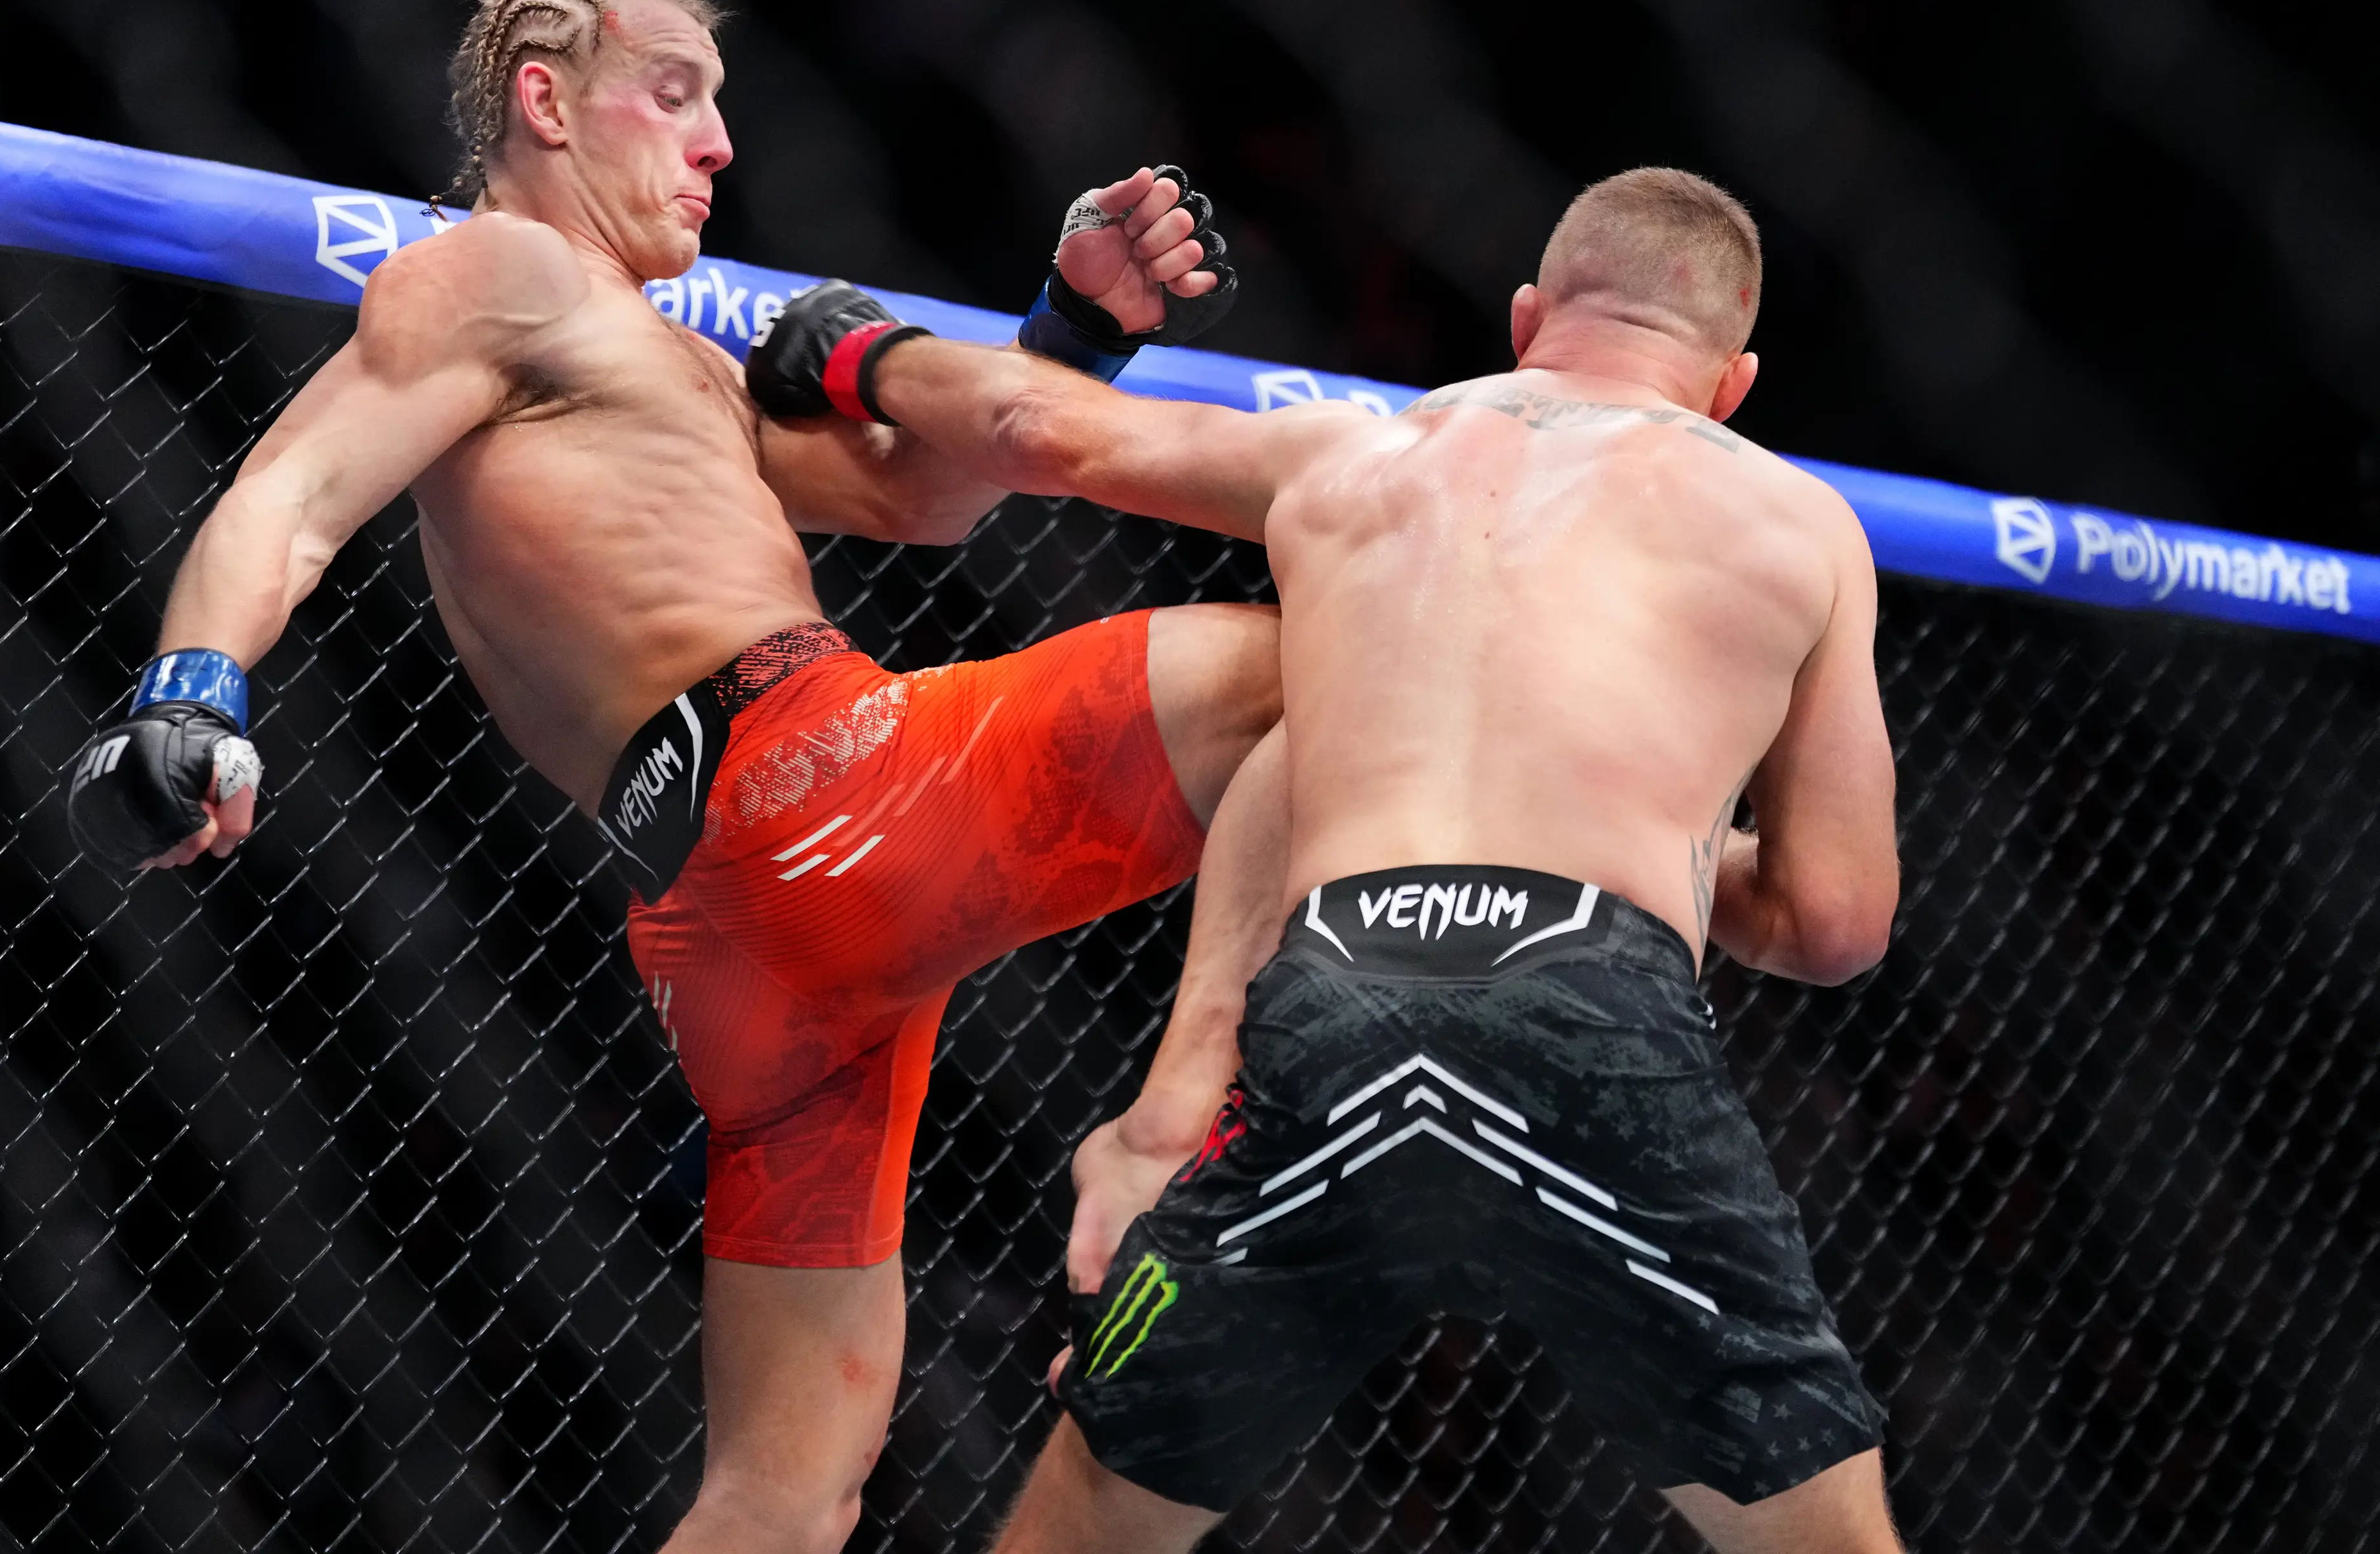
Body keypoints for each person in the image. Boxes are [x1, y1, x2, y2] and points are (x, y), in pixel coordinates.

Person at [62, 0, 1283, 1554]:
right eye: (677, 95)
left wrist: (1073, 323)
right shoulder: (499, 275)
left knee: (785, 1491)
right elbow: (291, 496)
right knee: (1321, 659)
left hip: (725, 938)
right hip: (818, 783)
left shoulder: (675, 361)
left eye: (724, 107)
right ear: (546, 103)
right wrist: (190, 691)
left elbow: (924, 496)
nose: (717, 146)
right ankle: (1200, 1118)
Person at [764, 166, 1904, 1551]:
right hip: (1594, 1003)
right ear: (1732, 381)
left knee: (1088, 1520)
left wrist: (853, 348)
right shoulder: (1797, 519)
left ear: (1530, 313)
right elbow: (1837, 915)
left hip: (1341, 994)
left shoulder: (1357, 451)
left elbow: (1038, 426)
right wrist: (1650, 837)